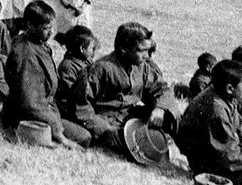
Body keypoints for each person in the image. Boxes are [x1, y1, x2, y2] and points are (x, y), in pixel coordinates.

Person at [3, 0, 91, 149]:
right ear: (30, 25)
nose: (51, 33)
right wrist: (60, 136)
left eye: (51, 28)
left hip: (45, 105)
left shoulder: (36, 43)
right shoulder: (25, 54)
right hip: (26, 114)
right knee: (84, 137)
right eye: (46, 28)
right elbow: (31, 103)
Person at [73, 22, 170, 153]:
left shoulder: (142, 67)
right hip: (106, 121)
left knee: (170, 117)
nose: (147, 56)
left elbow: (161, 89)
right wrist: (104, 129)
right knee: (133, 146)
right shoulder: (100, 69)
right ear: (124, 49)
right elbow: (81, 106)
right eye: (142, 50)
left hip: (130, 117)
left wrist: (160, 109)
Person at [55, 25, 96, 124]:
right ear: (82, 48)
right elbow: (69, 99)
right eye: (92, 48)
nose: (93, 52)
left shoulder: (86, 60)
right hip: (73, 112)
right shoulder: (67, 67)